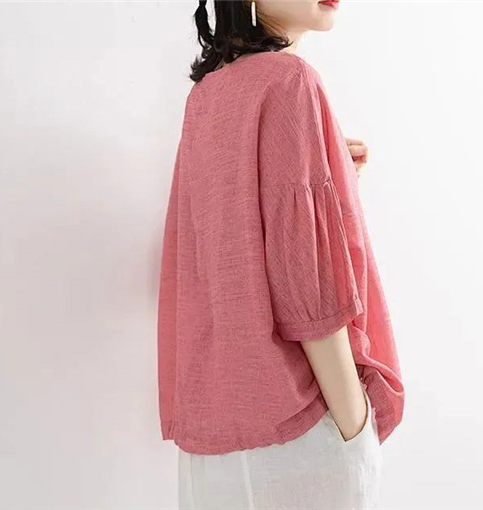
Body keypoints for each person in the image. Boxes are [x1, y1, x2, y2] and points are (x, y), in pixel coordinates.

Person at [157, 1, 405, 508]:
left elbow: (229, 240)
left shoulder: (207, 94)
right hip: (300, 427)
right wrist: (354, 424)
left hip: (215, 430)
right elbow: (304, 280)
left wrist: (328, 171)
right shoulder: (291, 80)